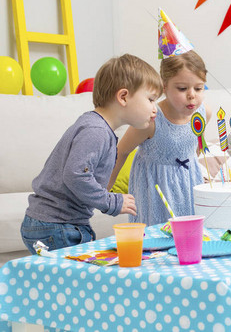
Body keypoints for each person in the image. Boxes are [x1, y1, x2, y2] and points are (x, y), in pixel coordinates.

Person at [20, 54, 163, 253]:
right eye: (151, 99)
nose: (155, 109)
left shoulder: (97, 127)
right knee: (76, 281)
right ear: (123, 97)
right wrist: (111, 201)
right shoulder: (96, 131)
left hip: (51, 223)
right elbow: (76, 175)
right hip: (58, 225)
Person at [108, 50, 211, 226]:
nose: (192, 95)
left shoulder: (203, 113)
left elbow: (195, 145)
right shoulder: (151, 119)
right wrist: (105, 189)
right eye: (182, 88)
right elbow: (121, 151)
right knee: (159, 238)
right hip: (155, 187)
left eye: (199, 88)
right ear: (164, 87)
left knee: (190, 232)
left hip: (189, 183)